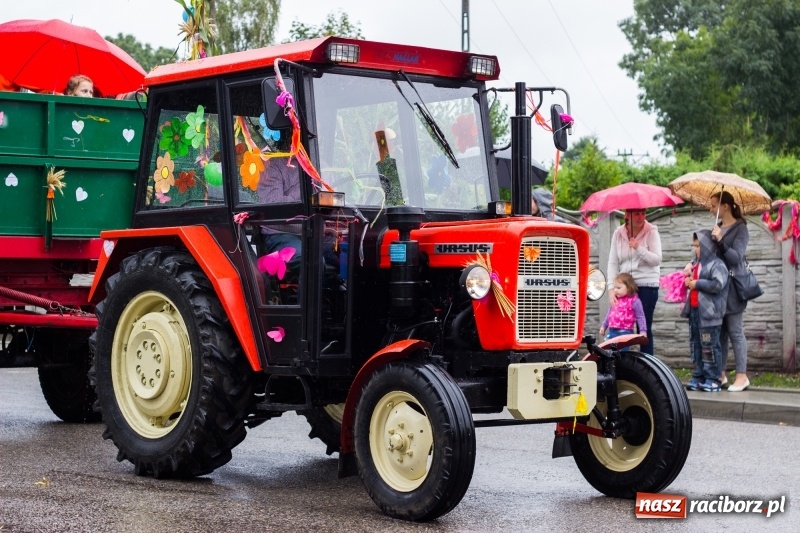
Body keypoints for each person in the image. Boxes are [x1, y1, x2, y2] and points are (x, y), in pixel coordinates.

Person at [710, 191, 751, 391]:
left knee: (735, 331)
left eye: (714, 205)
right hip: (718, 288)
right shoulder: (717, 228)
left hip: (733, 288)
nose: (711, 209)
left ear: (724, 206)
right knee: (721, 334)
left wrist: (720, 240)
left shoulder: (741, 229)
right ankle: (721, 374)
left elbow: (736, 258)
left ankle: (742, 376)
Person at [607, 208, 662, 355]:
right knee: (621, 325)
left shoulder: (651, 231)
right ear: (627, 215)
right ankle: (622, 363)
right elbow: (612, 263)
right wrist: (611, 289)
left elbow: (657, 259)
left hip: (647, 285)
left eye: (643, 213)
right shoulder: (618, 233)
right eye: (637, 213)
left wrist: (639, 248)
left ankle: (648, 367)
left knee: (644, 328)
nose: (641, 216)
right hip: (625, 286)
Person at [682, 230, 729, 392]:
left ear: (709, 246)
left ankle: (713, 378)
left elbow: (717, 285)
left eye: (699, 246)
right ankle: (698, 375)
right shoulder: (695, 264)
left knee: (709, 345)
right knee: (695, 344)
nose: (696, 249)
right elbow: (692, 278)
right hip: (695, 311)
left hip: (710, 314)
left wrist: (697, 283)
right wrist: (688, 280)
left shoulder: (718, 265)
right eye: (694, 246)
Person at [599, 272, 647, 351]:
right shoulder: (615, 300)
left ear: (628, 288)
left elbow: (640, 317)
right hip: (612, 332)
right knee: (608, 352)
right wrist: (604, 326)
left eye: (618, 288)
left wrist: (643, 331)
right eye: (614, 288)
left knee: (622, 354)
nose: (615, 290)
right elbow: (609, 314)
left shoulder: (635, 301)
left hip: (625, 333)